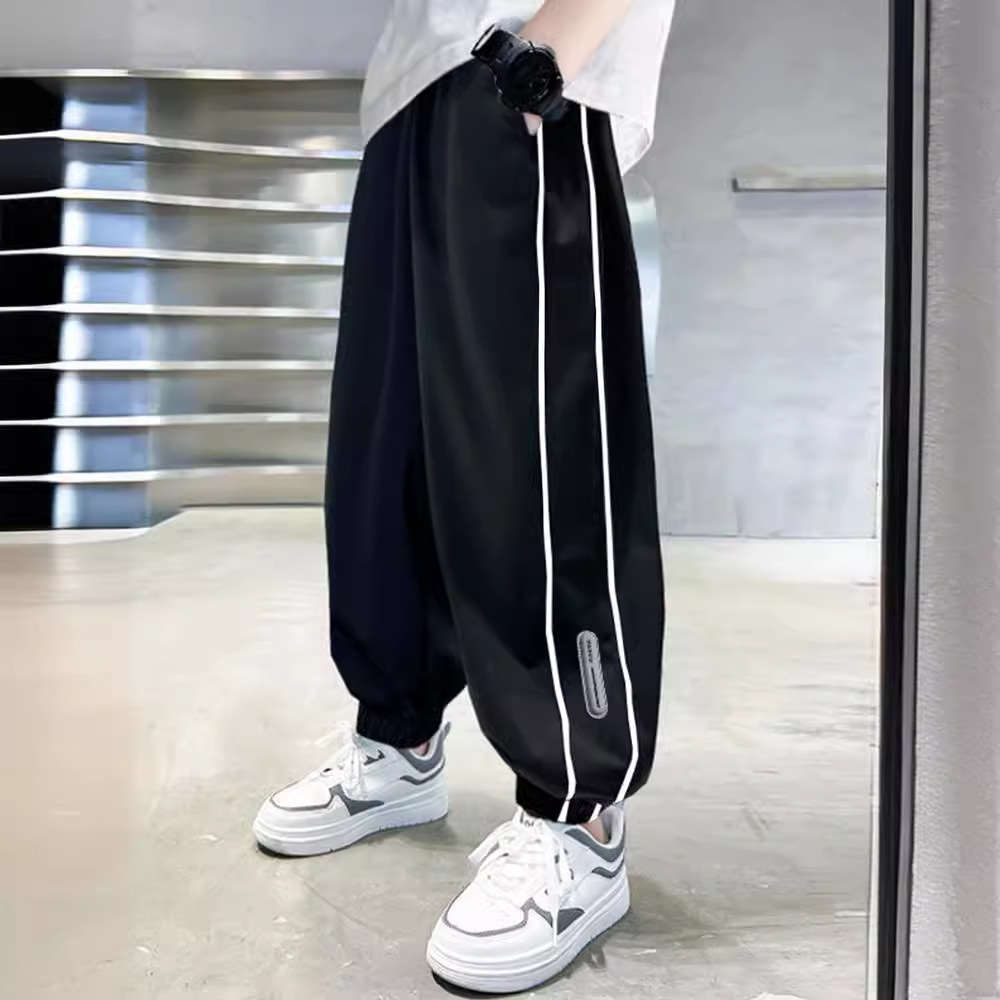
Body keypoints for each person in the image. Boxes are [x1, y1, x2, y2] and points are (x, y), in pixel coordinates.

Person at [253, 0, 674, 991]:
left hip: (525, 64)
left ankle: (579, 814)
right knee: (385, 449)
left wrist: (545, 54)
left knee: (531, 461)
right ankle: (398, 737)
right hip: (409, 90)